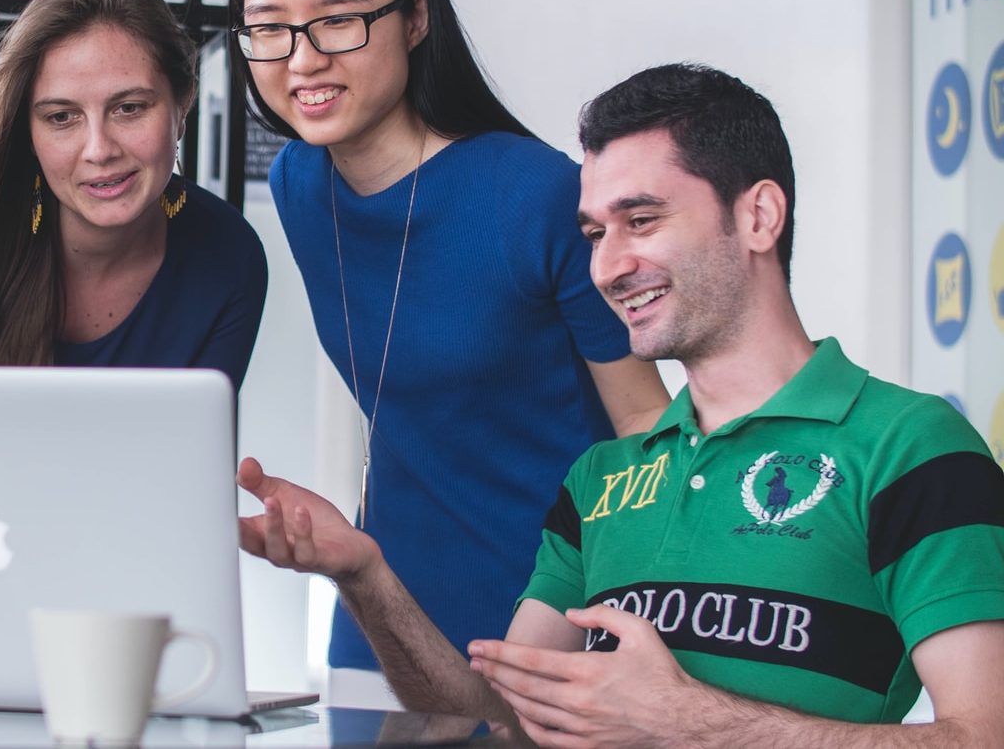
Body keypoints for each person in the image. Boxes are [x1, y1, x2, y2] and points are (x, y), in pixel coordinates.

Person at [238, 63, 1004, 743]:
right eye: (595, 232)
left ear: (758, 216)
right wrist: (365, 573)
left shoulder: (912, 447)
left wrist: (689, 721)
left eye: (642, 220)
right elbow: (502, 717)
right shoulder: (600, 479)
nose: (608, 266)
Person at [229, 0, 670, 697]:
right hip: (383, 620)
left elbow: (647, 433)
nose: (301, 59)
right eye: (269, 28)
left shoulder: (533, 195)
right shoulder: (302, 184)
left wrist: (591, 618)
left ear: (416, 17)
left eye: (338, 18)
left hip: (554, 625)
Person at [0, 0, 267, 391]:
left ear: (182, 105)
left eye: (129, 108)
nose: (99, 149)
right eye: (61, 117)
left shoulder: (229, 257)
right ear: (27, 131)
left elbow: (192, 449)